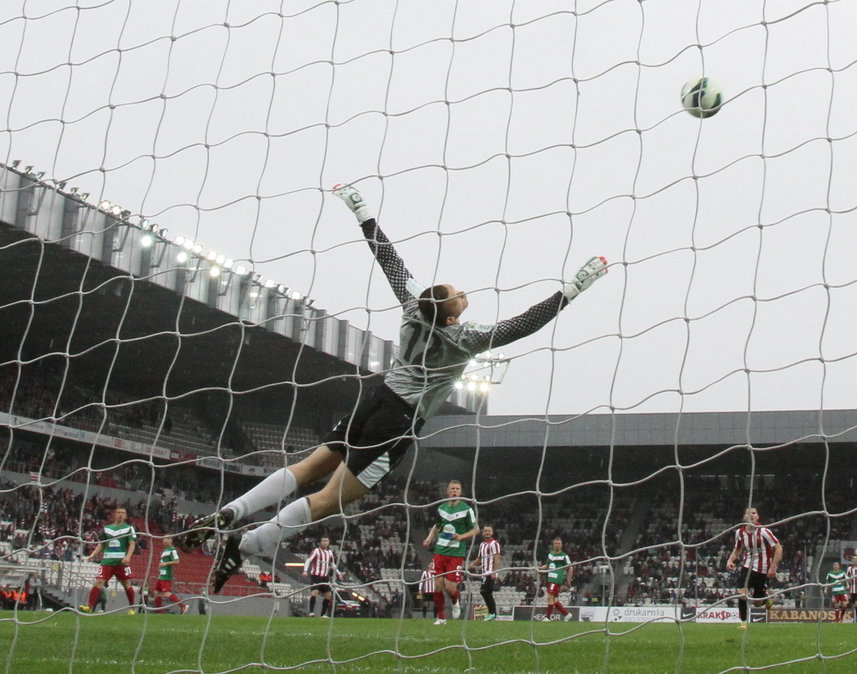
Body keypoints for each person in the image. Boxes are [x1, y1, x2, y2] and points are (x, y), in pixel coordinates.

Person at [189, 184, 610, 590]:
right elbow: (523, 325)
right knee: (328, 500)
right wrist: (572, 290)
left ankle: (231, 512)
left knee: (307, 468)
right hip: (398, 419)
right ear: (449, 316)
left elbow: (388, 260)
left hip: (374, 398)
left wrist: (363, 214)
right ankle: (244, 545)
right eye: (457, 295)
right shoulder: (465, 338)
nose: (463, 293)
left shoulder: (412, 306)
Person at [423, 480, 478, 625]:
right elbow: (437, 526)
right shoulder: (441, 508)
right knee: (438, 585)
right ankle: (441, 618)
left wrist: (461, 537)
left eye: (457, 489)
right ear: (447, 491)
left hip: (456, 553)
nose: (454, 491)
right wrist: (429, 538)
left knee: (450, 587)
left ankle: (455, 601)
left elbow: (476, 529)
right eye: (452, 488)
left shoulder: (466, 509)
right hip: (440, 551)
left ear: (460, 492)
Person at [726, 506, 782, 630]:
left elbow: (778, 548)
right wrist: (730, 560)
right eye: (748, 513)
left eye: (754, 513)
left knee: (757, 603)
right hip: (747, 566)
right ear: (744, 517)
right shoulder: (739, 533)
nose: (751, 515)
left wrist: (773, 567)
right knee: (742, 593)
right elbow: (738, 549)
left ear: (757, 517)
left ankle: (766, 597)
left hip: (763, 570)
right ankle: (743, 622)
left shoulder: (764, 531)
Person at [79, 506, 138, 615]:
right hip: (107, 561)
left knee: (127, 585)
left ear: (125, 516)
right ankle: (89, 606)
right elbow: (102, 544)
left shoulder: (129, 528)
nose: (120, 514)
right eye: (118, 512)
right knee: (98, 582)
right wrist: (93, 554)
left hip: (121, 562)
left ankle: (132, 608)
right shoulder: (107, 528)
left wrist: (128, 557)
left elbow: (132, 544)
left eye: (123, 513)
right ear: (114, 515)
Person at [469, 525, 501, 622]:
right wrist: (472, 564)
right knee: (486, 592)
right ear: (483, 533)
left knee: (484, 591)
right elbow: (480, 559)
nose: (487, 532)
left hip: (490, 571)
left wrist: (494, 572)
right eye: (485, 531)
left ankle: (492, 613)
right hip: (484, 572)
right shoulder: (482, 544)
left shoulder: (494, 544)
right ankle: (492, 614)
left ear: (492, 532)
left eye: (489, 531)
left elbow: (496, 558)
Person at [539, 537, 574, 620]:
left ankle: (547, 618)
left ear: (561, 545)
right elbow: (547, 565)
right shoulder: (551, 554)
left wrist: (568, 580)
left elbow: (570, 567)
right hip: (550, 579)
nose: (557, 545)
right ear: (553, 545)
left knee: (549, 597)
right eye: (556, 543)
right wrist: (540, 568)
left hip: (556, 579)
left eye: (559, 543)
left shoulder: (564, 556)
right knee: (554, 600)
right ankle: (567, 614)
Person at [303, 537, 338, 618]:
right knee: (314, 592)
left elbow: (332, 564)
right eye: (323, 541)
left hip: (325, 576)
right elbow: (309, 560)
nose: (325, 542)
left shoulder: (329, 552)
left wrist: (338, 572)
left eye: (326, 541)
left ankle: (323, 614)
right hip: (316, 575)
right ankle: (311, 612)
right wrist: (305, 571)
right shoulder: (316, 551)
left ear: (329, 542)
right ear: (320, 542)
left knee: (328, 595)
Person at [153, 537, 188, 614]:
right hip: (161, 574)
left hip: (166, 575)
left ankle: (182, 605)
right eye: (164, 539)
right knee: (156, 592)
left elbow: (177, 561)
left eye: (167, 539)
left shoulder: (172, 550)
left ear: (171, 540)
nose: (165, 540)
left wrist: (166, 563)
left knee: (166, 593)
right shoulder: (165, 550)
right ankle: (159, 612)